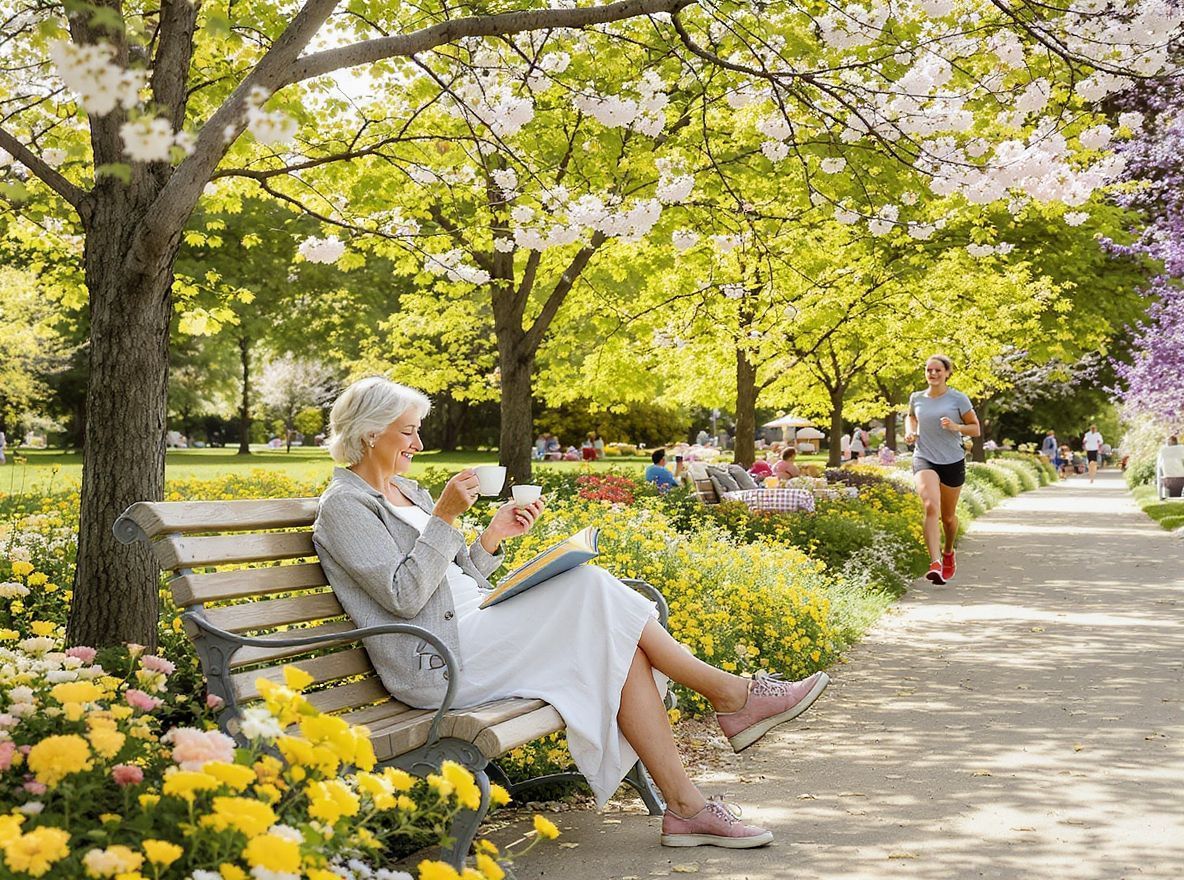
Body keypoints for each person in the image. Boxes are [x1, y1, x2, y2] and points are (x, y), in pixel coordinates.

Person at [312, 377, 829, 848]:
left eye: (417, 431)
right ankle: (731, 695)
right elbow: (403, 596)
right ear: (368, 434)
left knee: (619, 642)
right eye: (407, 432)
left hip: (476, 629)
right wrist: (446, 516)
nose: (418, 445)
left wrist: (492, 537)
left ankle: (687, 807)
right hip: (436, 662)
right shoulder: (345, 506)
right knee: (588, 587)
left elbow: (454, 578)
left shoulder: (409, 491)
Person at [905, 354, 980, 585]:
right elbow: (910, 417)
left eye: (938, 370)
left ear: (947, 373)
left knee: (948, 518)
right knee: (930, 507)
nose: (933, 374)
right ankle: (935, 563)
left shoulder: (958, 399)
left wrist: (956, 426)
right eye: (929, 370)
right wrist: (910, 431)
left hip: (952, 460)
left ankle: (948, 552)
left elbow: (975, 429)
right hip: (924, 457)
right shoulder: (916, 398)